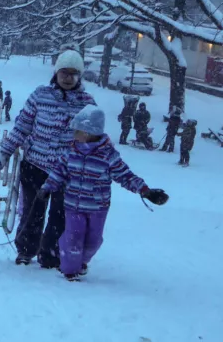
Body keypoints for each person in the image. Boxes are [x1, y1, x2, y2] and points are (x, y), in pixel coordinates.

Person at [39, 106, 168, 281]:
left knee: (93, 241)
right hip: (73, 206)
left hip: (97, 207)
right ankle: (70, 269)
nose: (73, 134)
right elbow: (58, 172)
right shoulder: (70, 152)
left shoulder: (108, 155)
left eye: (77, 131)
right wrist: (47, 188)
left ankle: (81, 262)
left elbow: (125, 175)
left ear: (88, 132)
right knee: (73, 237)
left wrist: (145, 191)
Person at [0, 50, 96, 268]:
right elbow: (22, 126)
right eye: (64, 72)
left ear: (79, 76)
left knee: (60, 215)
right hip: (35, 166)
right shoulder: (40, 95)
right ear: (56, 72)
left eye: (73, 73)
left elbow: (92, 137)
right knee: (33, 212)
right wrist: (5, 151)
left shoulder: (87, 103)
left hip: (67, 172)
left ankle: (50, 253)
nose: (68, 78)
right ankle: (26, 249)